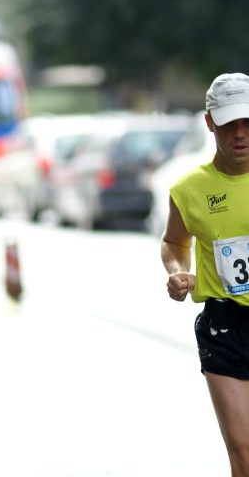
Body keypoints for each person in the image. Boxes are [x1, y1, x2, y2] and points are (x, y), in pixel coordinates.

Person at [162, 72, 249, 477]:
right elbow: (173, 242)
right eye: (230, 123)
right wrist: (178, 271)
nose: (240, 134)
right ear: (210, 122)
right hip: (226, 328)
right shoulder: (189, 190)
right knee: (245, 455)